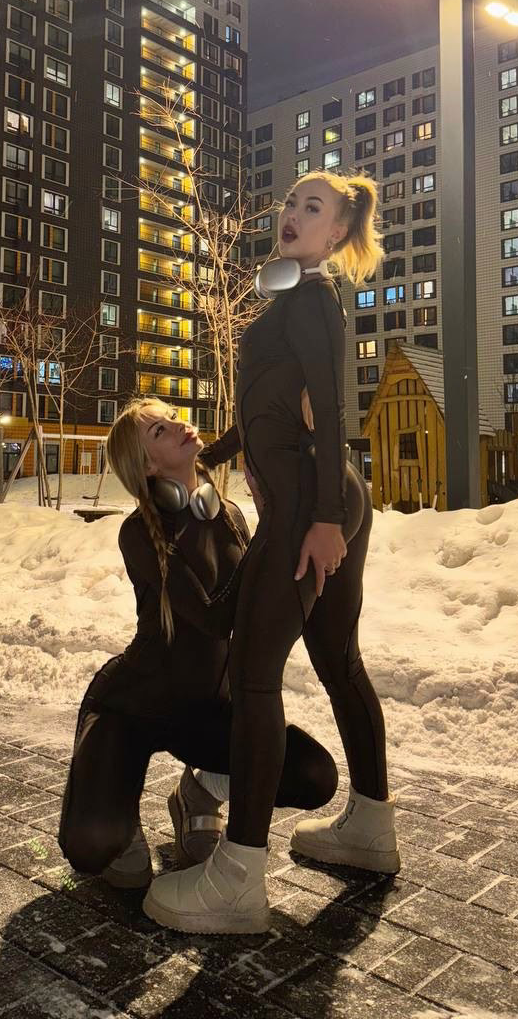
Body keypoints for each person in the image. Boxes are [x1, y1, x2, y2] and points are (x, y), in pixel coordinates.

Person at [143, 172, 398, 936]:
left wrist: (323, 520)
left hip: (309, 506)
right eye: (290, 202)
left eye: (312, 208)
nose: (292, 214)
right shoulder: (291, 299)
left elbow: (333, 401)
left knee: (255, 676)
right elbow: (268, 410)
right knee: (339, 662)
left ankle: (236, 879)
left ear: (336, 233)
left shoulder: (314, 299)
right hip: (323, 496)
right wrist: (210, 455)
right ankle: (370, 826)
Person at [57, 397, 338, 889]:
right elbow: (215, 616)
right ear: (148, 466)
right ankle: (119, 811)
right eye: (160, 431)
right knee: (94, 847)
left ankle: (199, 793)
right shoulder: (138, 533)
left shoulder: (227, 515)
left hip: (208, 713)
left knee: (314, 775)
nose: (179, 425)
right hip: (133, 707)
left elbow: (257, 607)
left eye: (172, 417)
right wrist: (273, 528)